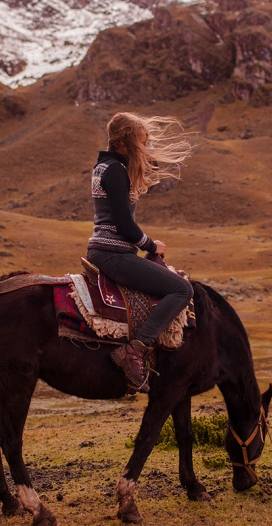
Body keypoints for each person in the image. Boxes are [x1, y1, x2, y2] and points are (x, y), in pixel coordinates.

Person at [86, 112, 195, 393]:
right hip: (114, 253)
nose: (145, 147)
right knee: (182, 290)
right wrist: (150, 245)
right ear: (124, 141)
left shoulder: (104, 167)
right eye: (141, 141)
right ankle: (135, 348)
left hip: (107, 249)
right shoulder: (115, 171)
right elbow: (124, 225)